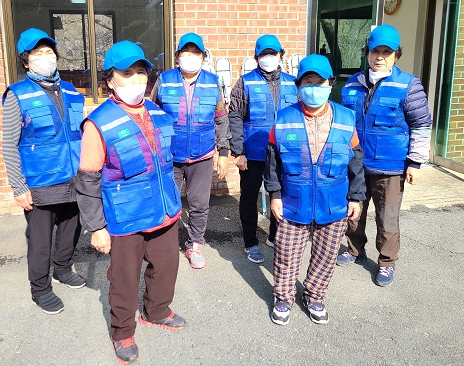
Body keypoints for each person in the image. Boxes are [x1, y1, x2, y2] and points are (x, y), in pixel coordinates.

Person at [74, 40, 185, 364]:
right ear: (110, 80)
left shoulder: (159, 114)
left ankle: (157, 310)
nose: (136, 79)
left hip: (163, 209)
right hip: (125, 218)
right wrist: (96, 226)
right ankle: (122, 331)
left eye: (141, 72)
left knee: (167, 265)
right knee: (123, 279)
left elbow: (168, 165)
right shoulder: (98, 123)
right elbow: (88, 179)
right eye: (127, 73)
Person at [264, 54, 365, 325]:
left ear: (330, 84)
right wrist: (274, 195)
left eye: (319, 82)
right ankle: (283, 297)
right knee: (286, 254)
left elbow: (356, 161)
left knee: (326, 255)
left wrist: (356, 197)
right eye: (307, 82)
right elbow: (272, 162)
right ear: (299, 86)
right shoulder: (284, 118)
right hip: (293, 200)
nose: (313, 87)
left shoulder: (346, 118)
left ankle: (315, 296)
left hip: (333, 202)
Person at [338, 24, 432, 287]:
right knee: (353, 212)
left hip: (390, 167)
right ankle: (355, 249)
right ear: (367, 53)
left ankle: (387, 262)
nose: (380, 57)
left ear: (396, 55)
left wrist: (415, 163)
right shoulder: (352, 83)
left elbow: (421, 125)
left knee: (387, 218)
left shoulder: (408, 85)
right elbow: (344, 123)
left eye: (386, 52)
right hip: (355, 164)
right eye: (375, 51)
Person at [1, 28, 86, 315]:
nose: (46, 57)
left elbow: (79, 134)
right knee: (39, 240)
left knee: (71, 228)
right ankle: (40, 289)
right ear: (26, 61)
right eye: (38, 53)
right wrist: (18, 187)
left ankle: (62, 269)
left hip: (73, 177)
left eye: (49, 52)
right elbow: (9, 145)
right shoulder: (17, 95)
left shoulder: (72, 91)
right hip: (40, 182)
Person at [151, 32, 231, 269]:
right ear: (177, 56)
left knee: (199, 203)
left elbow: (221, 118)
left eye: (196, 52)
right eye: (186, 52)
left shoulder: (212, 82)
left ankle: (194, 244)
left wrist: (223, 153)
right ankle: (166, 244)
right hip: (170, 155)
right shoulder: (164, 80)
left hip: (202, 155)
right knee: (168, 201)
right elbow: (151, 115)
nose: (191, 56)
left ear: (203, 57)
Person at [229, 34, 298, 263]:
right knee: (249, 198)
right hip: (253, 153)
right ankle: (250, 242)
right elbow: (235, 117)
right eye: (264, 54)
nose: (269, 57)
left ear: (281, 55)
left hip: (283, 153)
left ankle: (275, 235)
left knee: (281, 196)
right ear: (257, 57)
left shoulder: (293, 83)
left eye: (273, 53)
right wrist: (238, 151)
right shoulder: (245, 82)